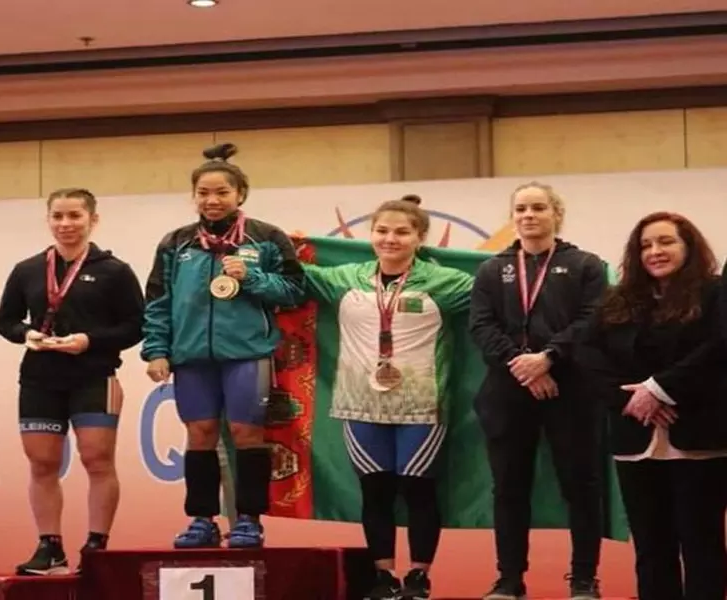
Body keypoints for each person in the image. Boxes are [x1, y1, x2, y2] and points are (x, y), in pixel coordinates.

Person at [294, 199, 473, 600]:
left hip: (421, 405)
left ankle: (419, 577)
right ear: (371, 235)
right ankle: (383, 577)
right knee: (376, 492)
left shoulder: (444, 282)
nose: (390, 239)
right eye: (382, 231)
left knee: (417, 490)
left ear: (420, 238)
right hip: (360, 403)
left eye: (402, 232)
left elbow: (498, 292)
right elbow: (291, 275)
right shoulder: (346, 277)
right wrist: (269, 246)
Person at [141, 143, 303, 549]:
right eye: (203, 193)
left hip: (247, 354)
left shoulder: (266, 238)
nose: (212, 200)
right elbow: (158, 301)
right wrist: (157, 350)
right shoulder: (176, 243)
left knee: (246, 432)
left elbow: (294, 291)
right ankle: (202, 520)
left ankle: (248, 520)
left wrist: (252, 278)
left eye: (222, 193)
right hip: (191, 356)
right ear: (193, 196)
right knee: (200, 434)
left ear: (240, 194)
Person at [0, 187, 145, 575]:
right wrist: (26, 334)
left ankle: (97, 546)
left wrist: (89, 341)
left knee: (97, 459)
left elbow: (136, 325)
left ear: (93, 219)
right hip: (40, 379)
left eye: (75, 215)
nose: (66, 224)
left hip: (94, 377)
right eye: (57, 216)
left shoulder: (115, 271)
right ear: (48, 220)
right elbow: (4, 319)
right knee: (42, 463)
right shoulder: (28, 269)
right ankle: (50, 547)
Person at [468, 182, 606, 600]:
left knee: (581, 485)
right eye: (521, 208)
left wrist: (549, 357)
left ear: (556, 214)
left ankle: (584, 578)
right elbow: (481, 326)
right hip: (508, 390)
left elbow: (593, 320)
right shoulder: (491, 270)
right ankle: (509, 578)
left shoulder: (586, 265)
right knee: (509, 487)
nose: (529, 215)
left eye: (538, 207)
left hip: (571, 390)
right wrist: (523, 366)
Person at [580, 212, 727, 600]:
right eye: (646, 245)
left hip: (699, 436)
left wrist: (659, 389)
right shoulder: (618, 300)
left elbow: (717, 349)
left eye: (666, 242)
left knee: (702, 545)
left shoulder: (715, 293)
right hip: (635, 437)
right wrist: (631, 399)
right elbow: (588, 354)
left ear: (688, 246)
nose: (655, 251)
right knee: (650, 547)